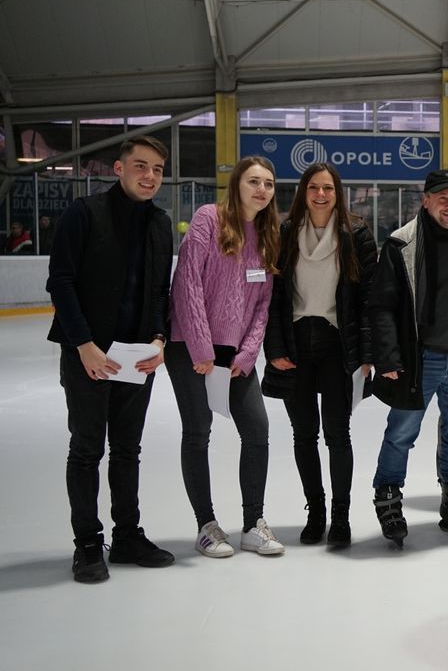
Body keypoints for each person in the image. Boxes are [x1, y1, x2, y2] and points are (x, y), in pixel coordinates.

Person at [46, 135, 175, 583]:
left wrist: (160, 339)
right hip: (88, 354)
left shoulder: (160, 224)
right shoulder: (84, 214)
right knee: (86, 450)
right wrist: (83, 344)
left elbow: (161, 290)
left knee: (127, 450)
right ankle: (87, 543)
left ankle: (126, 537)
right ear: (119, 169)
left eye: (158, 169)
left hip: (136, 356)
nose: (150, 176)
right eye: (141, 166)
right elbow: (60, 282)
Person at [167, 155, 284, 559]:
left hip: (236, 355)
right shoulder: (208, 219)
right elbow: (188, 284)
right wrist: (201, 349)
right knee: (198, 432)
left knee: (257, 429)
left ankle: (253, 524)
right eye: (254, 181)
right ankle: (207, 525)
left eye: (269, 183)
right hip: (191, 350)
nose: (262, 190)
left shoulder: (268, 234)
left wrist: (248, 354)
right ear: (236, 184)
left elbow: (262, 305)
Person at [369, 169, 448, 547]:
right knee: (401, 433)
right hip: (418, 358)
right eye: (443, 198)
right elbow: (382, 306)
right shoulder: (400, 244)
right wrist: (388, 357)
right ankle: (388, 497)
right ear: (426, 200)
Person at [264, 162, 377, 547]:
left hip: (336, 344)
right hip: (296, 343)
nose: (321, 195)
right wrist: (275, 347)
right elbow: (273, 299)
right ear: (303, 191)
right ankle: (316, 512)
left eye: (328, 188)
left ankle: (341, 515)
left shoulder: (356, 232)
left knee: (337, 433)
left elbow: (367, 299)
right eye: (314, 187)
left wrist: (366, 351)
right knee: (303, 435)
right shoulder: (284, 231)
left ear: (337, 192)